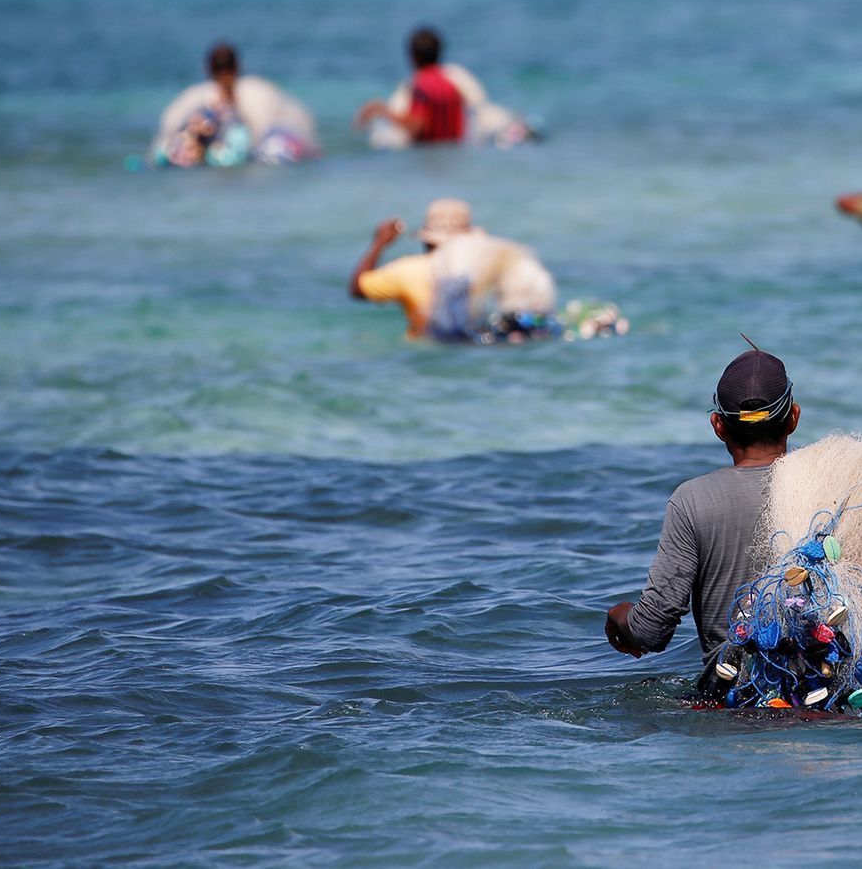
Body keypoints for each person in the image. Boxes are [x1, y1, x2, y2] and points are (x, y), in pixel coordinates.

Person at [604, 343, 800, 690]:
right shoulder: (843, 485)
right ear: (794, 418)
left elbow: (651, 631)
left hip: (736, 706)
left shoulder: (693, 500)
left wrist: (618, 617)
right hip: (834, 695)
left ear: (718, 426)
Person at [348, 198, 560, 341]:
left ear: (427, 240)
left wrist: (379, 242)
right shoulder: (487, 264)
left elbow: (357, 289)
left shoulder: (408, 270)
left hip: (431, 348)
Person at [353, 26, 534, 148]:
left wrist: (382, 111)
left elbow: (417, 125)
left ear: (412, 56)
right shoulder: (451, 82)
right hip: (455, 151)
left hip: (430, 156)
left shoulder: (421, 85)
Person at [150, 42, 318, 166]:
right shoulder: (260, 92)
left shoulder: (192, 97)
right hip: (246, 155)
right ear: (238, 66)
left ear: (207, 69)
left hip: (208, 155)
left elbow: (167, 129)